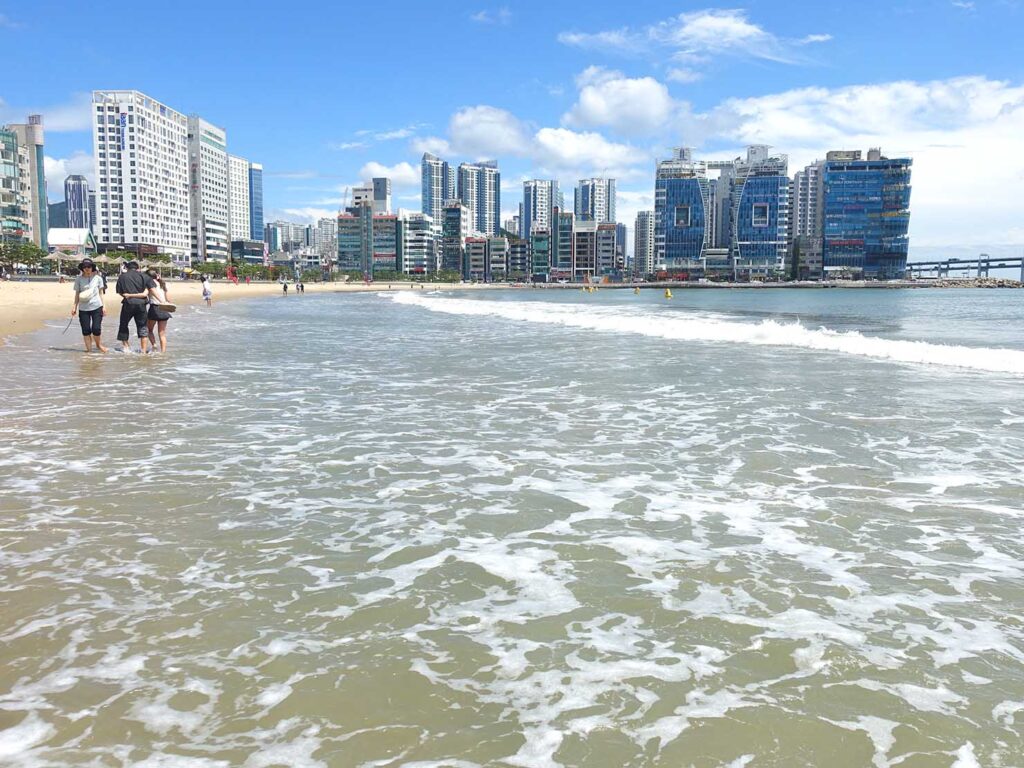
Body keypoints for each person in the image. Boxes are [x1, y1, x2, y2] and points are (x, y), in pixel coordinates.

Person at [115, 260, 154, 353]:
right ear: (138, 268)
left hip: (128, 303)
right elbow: (151, 288)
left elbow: (119, 291)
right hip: (141, 304)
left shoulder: (122, 277)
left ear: (127, 268)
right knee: (142, 326)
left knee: (124, 324)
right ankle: (143, 350)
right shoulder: (144, 276)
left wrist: (127, 296)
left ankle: (126, 347)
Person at [71, 258, 108, 353]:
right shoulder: (78, 279)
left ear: (92, 268)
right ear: (82, 268)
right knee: (86, 330)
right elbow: (77, 294)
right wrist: (74, 306)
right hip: (83, 308)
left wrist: (104, 306)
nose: (87, 268)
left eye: (89, 267)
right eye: (85, 267)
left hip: (97, 306)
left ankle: (98, 345)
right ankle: (89, 351)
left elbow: (101, 293)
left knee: (96, 328)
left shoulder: (98, 278)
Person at [145, 269, 172, 353]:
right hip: (164, 308)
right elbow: (168, 299)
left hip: (154, 308)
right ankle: (163, 352)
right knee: (162, 334)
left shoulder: (148, 284)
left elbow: (145, 294)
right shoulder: (163, 284)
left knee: (149, 330)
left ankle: (154, 345)